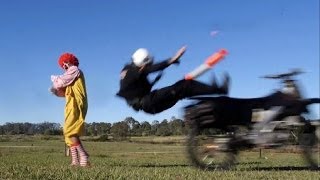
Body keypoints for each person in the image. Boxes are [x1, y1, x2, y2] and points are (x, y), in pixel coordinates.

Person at [117, 46, 229, 114]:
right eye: (148, 64)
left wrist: (153, 82)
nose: (148, 66)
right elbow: (153, 68)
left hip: (149, 106)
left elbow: (136, 89)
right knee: (184, 86)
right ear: (142, 64)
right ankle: (219, 89)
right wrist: (171, 60)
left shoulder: (128, 71)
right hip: (149, 103)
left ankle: (211, 91)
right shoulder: (134, 70)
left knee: (181, 89)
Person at [50, 53, 90, 167]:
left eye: (64, 63)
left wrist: (55, 80)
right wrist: (55, 90)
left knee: (70, 129)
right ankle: (75, 161)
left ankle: (83, 155)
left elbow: (62, 81)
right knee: (67, 133)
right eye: (62, 65)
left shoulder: (74, 70)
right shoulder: (69, 75)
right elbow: (62, 92)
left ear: (69, 61)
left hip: (77, 103)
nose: (64, 66)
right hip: (70, 103)